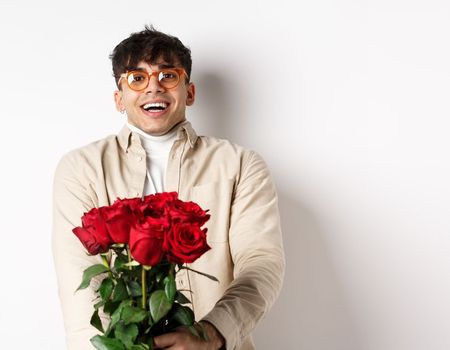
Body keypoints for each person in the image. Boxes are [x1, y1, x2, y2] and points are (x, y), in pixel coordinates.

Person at [51, 25, 285, 350]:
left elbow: (261, 263)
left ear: (189, 92)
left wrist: (212, 333)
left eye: (168, 76)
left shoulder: (241, 165)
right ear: (119, 98)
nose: (153, 88)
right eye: (137, 78)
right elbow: (81, 275)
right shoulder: (81, 168)